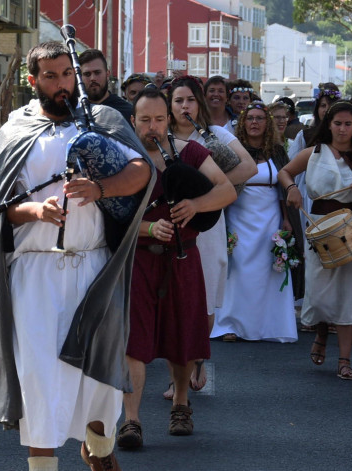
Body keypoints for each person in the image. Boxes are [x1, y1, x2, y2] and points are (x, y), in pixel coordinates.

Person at [0, 40, 153, 471]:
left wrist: (101, 189)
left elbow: (141, 171)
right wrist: (36, 210)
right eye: (51, 76)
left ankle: (99, 448)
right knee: (40, 378)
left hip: (95, 267)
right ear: (33, 81)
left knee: (98, 380)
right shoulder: (14, 131)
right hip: (35, 273)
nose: (62, 84)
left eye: (67, 74)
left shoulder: (103, 120)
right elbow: (1, 207)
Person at [116, 86, 235, 449]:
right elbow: (108, 216)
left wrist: (196, 205)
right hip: (138, 260)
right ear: (132, 121)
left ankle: (181, 405)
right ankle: (131, 420)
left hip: (183, 257)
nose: (152, 126)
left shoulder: (190, 151)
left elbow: (226, 189)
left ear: (169, 119)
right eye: (144, 119)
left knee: (182, 336)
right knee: (134, 342)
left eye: (158, 118)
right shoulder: (120, 158)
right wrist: (148, 227)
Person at [278, 101, 352, 380]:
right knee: (321, 291)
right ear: (329, 125)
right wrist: (292, 189)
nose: (342, 129)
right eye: (337, 123)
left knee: (350, 293)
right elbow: (285, 172)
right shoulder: (314, 152)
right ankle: (322, 335)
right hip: (320, 227)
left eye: (348, 124)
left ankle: (345, 359)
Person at [165, 75, 256, 397]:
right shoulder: (160, 137)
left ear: (199, 103)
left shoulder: (214, 135)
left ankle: (198, 357)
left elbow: (249, 168)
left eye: (190, 100)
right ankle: (178, 373)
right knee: (173, 298)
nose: (184, 106)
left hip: (207, 225)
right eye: (178, 100)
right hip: (171, 225)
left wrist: (207, 189)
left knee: (203, 296)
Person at [212, 102, 298, 342]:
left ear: (267, 123)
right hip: (238, 217)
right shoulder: (233, 153)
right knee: (236, 271)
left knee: (268, 272)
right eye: (250, 118)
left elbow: (282, 189)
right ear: (242, 123)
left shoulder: (278, 152)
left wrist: (285, 219)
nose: (254, 122)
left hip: (270, 219)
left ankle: (268, 325)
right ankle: (229, 324)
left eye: (260, 118)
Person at [288, 83, 341, 332]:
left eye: (330, 106)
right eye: (322, 105)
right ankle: (312, 312)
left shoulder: (345, 137)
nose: (326, 110)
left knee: (336, 255)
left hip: (339, 199)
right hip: (311, 198)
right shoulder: (305, 135)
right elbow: (292, 168)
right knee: (314, 255)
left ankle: (332, 313)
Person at [268, 100, 306, 304]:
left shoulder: (287, 144)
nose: (282, 121)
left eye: (285, 117)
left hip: (288, 199)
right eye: (277, 117)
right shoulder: (269, 146)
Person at [79, 48, 135, 125]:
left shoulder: (126, 112)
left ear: (107, 74)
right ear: (80, 77)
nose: (93, 78)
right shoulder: (75, 113)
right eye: (87, 74)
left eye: (97, 72)